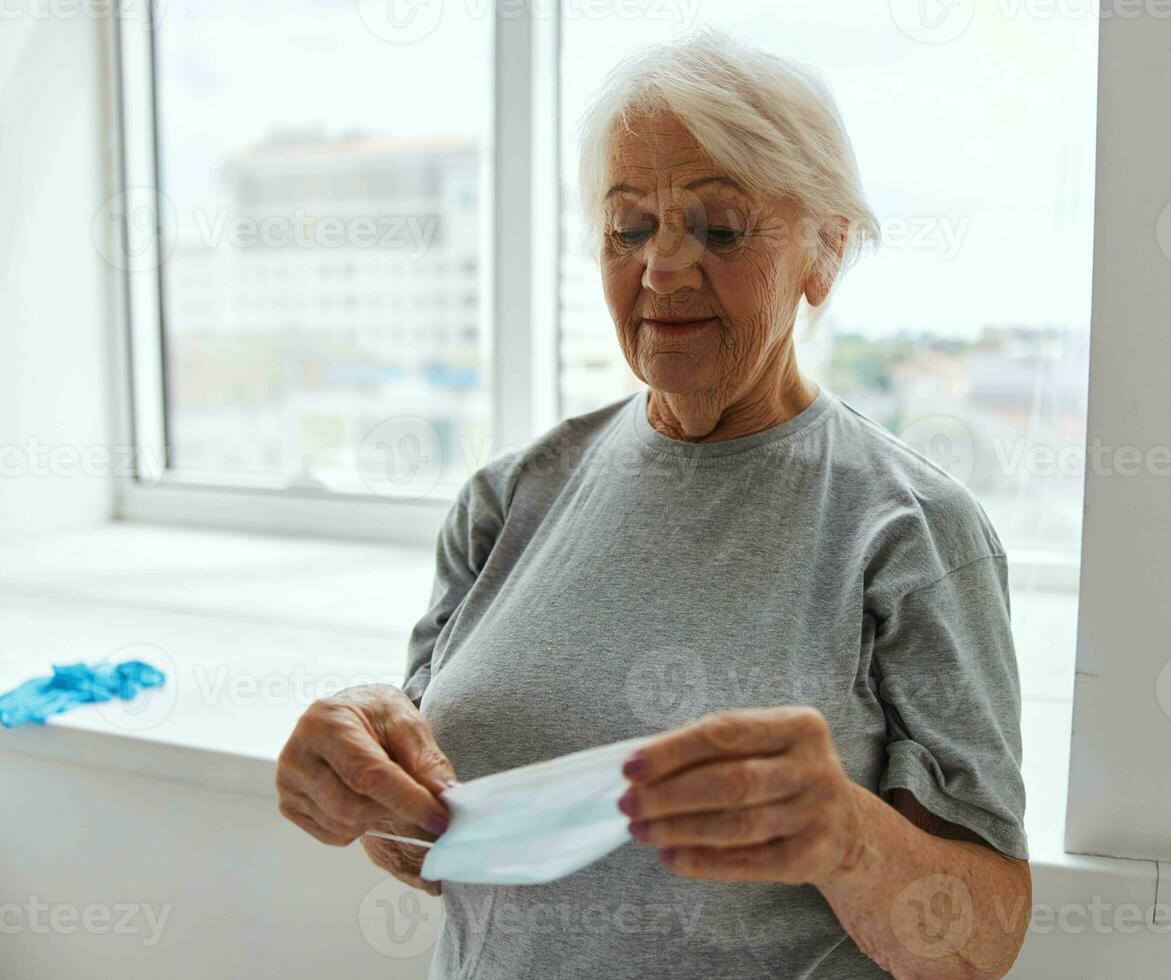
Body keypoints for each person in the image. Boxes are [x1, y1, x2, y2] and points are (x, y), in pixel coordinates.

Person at [276, 28, 1030, 979]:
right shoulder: (508, 499)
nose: (664, 267)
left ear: (825, 251)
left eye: (720, 226)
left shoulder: (911, 530)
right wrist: (358, 776)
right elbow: (427, 849)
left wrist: (846, 833)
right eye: (629, 227)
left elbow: (983, 938)